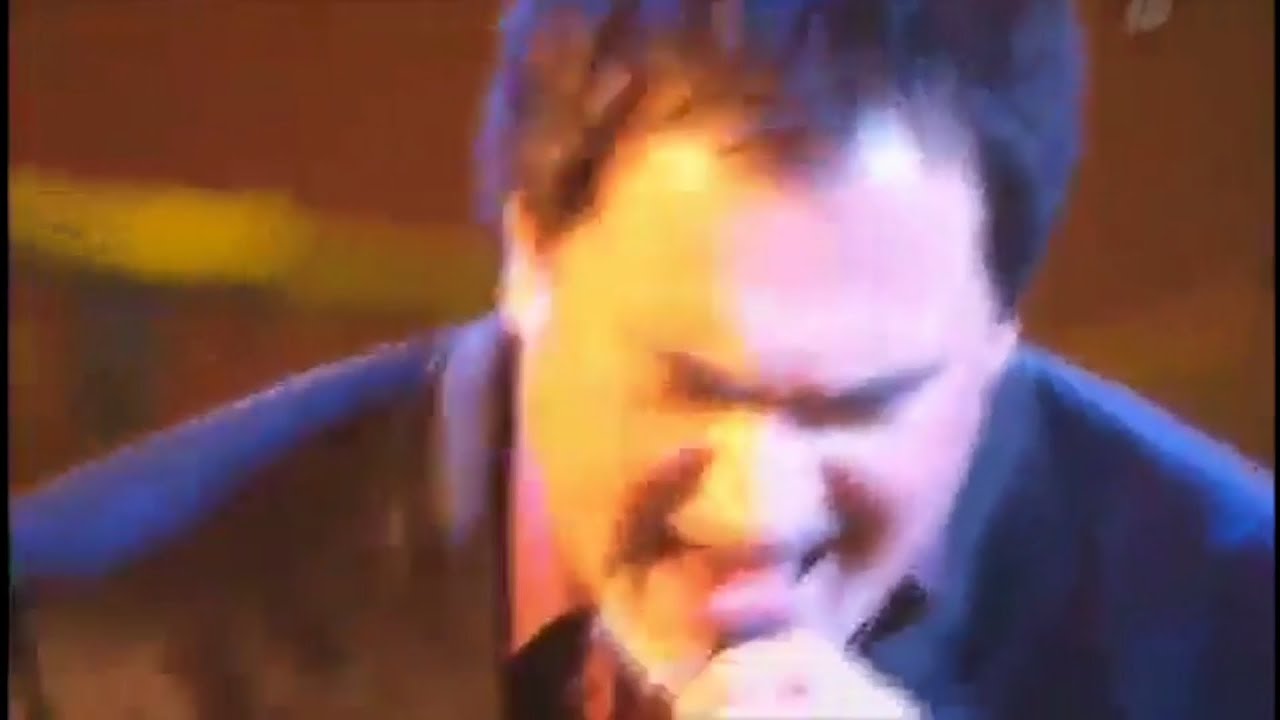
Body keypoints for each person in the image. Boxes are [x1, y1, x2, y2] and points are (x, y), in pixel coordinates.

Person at [10, 0, 1274, 718]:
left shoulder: (1240, 638)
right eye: (688, 384)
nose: (755, 513)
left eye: (857, 408)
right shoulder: (82, 651)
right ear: (526, 259)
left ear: (999, 335)